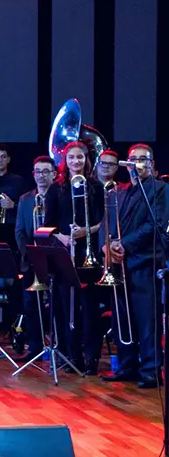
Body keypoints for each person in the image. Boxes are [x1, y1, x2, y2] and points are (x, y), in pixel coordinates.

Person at [101, 144, 166, 388]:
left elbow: (155, 225)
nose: (138, 163)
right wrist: (107, 247)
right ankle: (126, 366)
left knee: (147, 319)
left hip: (144, 262)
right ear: (126, 164)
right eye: (134, 159)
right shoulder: (119, 192)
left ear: (151, 164)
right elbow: (105, 222)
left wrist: (124, 245)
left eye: (143, 160)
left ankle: (150, 370)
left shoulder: (160, 189)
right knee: (121, 317)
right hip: (120, 263)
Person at [53, 141, 103, 374]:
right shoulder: (57, 188)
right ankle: (72, 358)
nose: (76, 162)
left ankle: (92, 358)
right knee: (67, 308)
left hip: (89, 253)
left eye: (80, 157)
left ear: (86, 159)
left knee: (90, 309)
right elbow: (48, 225)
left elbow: (103, 221)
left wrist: (86, 231)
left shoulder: (95, 186)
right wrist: (63, 237)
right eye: (72, 158)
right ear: (66, 161)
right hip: (66, 253)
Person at [14, 156, 59, 362]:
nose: (41, 175)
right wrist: (30, 254)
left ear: (54, 174)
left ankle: (59, 347)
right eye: (37, 172)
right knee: (31, 305)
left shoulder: (60, 195)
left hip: (56, 258)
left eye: (45, 171)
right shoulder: (25, 199)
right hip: (32, 260)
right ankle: (35, 347)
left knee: (58, 304)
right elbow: (20, 231)